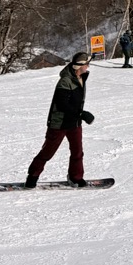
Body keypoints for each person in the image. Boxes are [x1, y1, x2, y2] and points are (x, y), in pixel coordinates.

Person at [25, 52, 96, 188]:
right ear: (79, 66)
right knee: (48, 152)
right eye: (87, 64)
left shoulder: (81, 77)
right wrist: (82, 114)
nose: (88, 66)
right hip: (59, 123)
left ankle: (75, 177)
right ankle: (32, 176)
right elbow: (62, 104)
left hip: (74, 122)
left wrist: (79, 115)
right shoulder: (65, 81)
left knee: (77, 152)